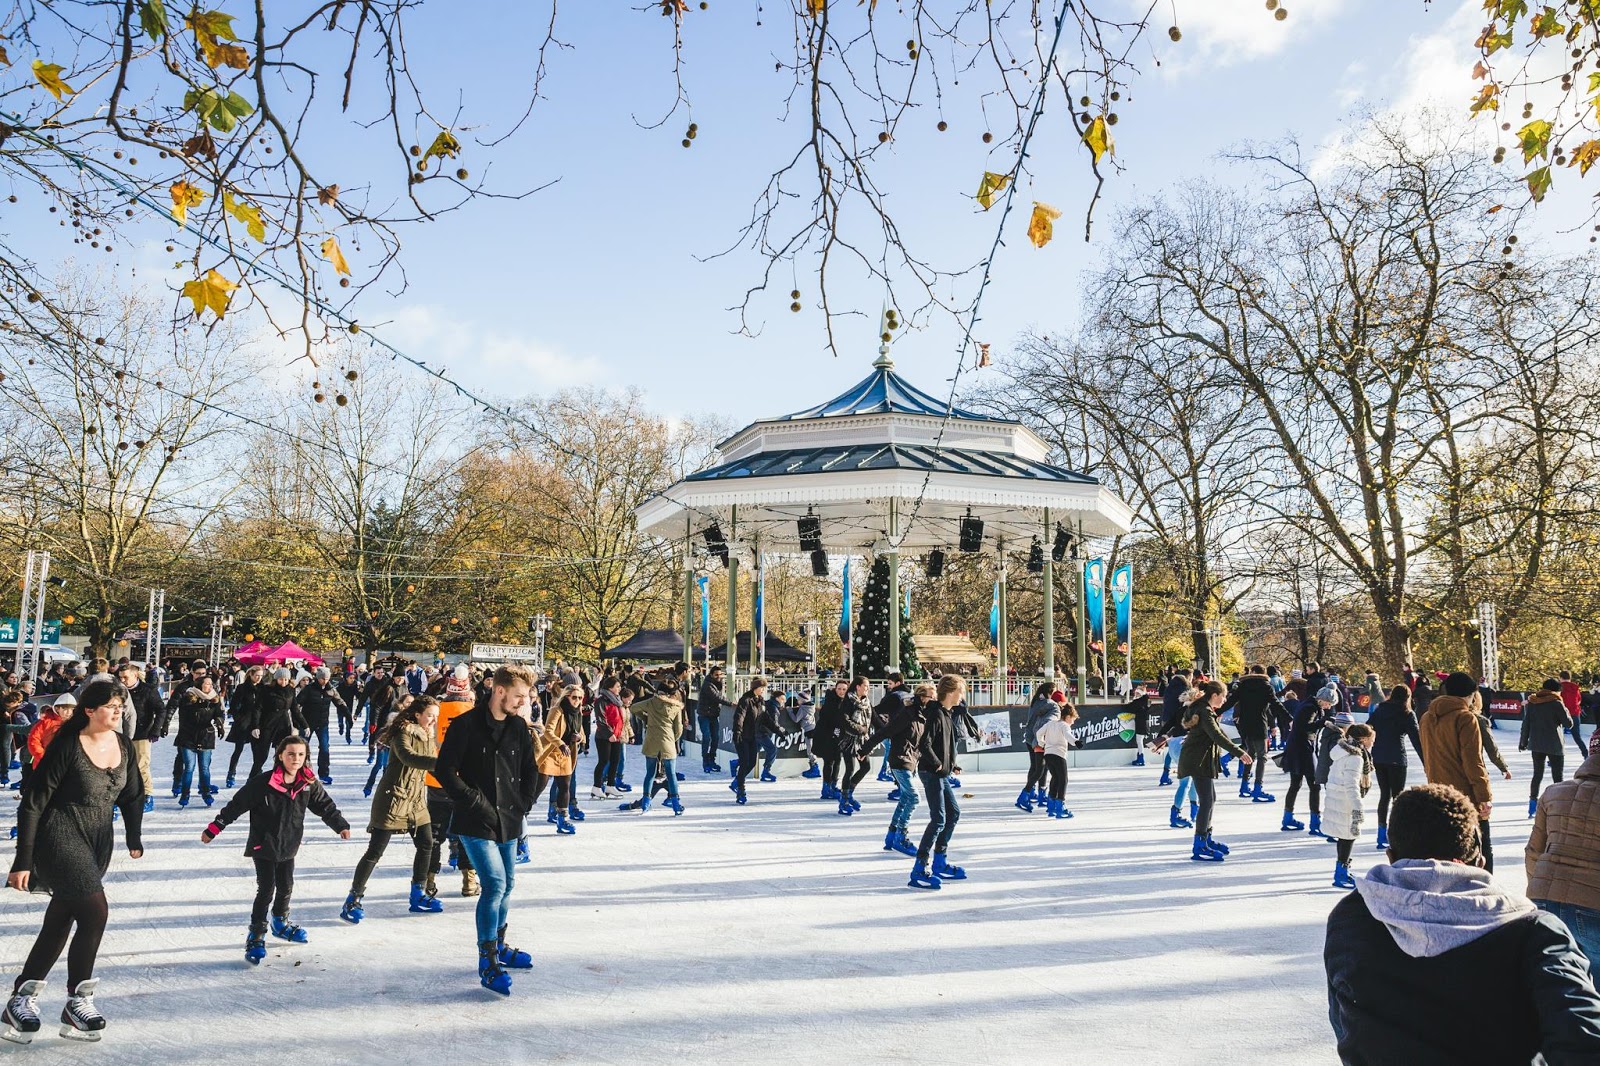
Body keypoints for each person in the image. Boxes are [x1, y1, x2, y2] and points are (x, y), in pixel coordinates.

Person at [1325, 783, 1600, 1064]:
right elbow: (1585, 1040)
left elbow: (1345, 1025)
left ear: (1391, 857)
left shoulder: (1351, 919)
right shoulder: (1537, 935)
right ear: (1479, 861)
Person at [2, 680, 144, 1045]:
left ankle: (20, 1000)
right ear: (89, 710)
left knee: (61, 919)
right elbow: (32, 802)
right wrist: (23, 860)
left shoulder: (123, 744)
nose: (117, 711)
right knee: (95, 911)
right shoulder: (67, 746)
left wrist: (133, 836)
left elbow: (132, 795)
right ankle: (78, 1001)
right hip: (58, 833)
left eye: (121, 705)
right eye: (111, 705)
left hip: (97, 838)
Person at [434, 664, 539, 996]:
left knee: (508, 885)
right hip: (475, 819)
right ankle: (488, 958)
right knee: (494, 884)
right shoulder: (465, 724)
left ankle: (501, 944)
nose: (523, 702)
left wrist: (523, 803)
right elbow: (445, 770)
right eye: (519, 696)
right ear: (499, 691)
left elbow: (529, 769)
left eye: (525, 697)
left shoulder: (518, 727)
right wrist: (473, 800)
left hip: (508, 818)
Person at [202, 735, 350, 964]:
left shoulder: (308, 783)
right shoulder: (264, 782)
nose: (296, 759)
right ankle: (257, 933)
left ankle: (280, 921)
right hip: (264, 843)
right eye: (291, 754)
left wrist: (339, 825)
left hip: (289, 844)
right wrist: (215, 827)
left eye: (301, 754)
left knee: (286, 886)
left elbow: (325, 806)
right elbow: (237, 805)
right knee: (266, 889)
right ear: (280, 755)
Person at [340, 695, 442, 924]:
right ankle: (352, 899)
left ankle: (418, 893)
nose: (433, 721)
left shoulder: (428, 734)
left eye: (436, 717)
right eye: (430, 716)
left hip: (416, 800)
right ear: (417, 714)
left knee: (427, 843)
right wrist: (441, 763)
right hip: (393, 798)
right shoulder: (403, 732)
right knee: (375, 851)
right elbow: (410, 758)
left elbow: (430, 763)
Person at [1526, 736, 1600, 980]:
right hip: (1592, 905)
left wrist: (1538, 893)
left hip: (1544, 900)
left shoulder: (1553, 792)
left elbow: (1533, 852)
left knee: (1559, 985)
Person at [1419, 671, 1497, 872]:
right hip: (1465, 797)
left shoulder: (1427, 718)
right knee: (1479, 850)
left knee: (1447, 850)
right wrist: (1484, 796)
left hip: (1437, 793)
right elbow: (1473, 762)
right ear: (1471, 694)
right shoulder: (1465, 718)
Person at [907, 674, 971, 890]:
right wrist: (937, 764)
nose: (962, 696)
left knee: (953, 813)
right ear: (952, 692)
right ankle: (919, 868)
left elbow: (941, 744)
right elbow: (923, 744)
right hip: (931, 772)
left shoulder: (945, 713)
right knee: (939, 819)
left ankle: (940, 861)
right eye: (961, 692)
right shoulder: (935, 713)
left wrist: (950, 764)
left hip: (941, 772)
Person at [1178, 679, 1252, 863]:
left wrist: (1238, 747)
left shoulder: (1205, 710)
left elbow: (1219, 733)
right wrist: (1239, 752)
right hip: (1198, 760)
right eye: (1223, 696)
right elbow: (1216, 736)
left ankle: (1206, 839)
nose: (1224, 700)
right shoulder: (1204, 711)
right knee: (1206, 801)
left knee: (1210, 799)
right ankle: (1199, 844)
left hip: (1199, 759)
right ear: (1214, 695)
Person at [425, 667, 478, 899]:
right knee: (468, 831)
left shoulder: (436, 711)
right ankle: (468, 880)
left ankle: (428, 880)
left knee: (434, 833)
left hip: (436, 780)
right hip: (465, 782)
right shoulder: (476, 714)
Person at [862, 681, 927, 856]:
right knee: (914, 798)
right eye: (931, 697)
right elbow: (886, 731)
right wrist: (865, 748)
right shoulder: (907, 714)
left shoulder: (922, 716)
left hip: (910, 760)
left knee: (906, 797)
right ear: (922, 698)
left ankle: (891, 835)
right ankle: (901, 836)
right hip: (900, 760)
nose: (934, 701)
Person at [1366, 684, 1423, 850]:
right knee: (1397, 798)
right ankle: (1395, 834)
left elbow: (1369, 727)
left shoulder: (1380, 709)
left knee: (1385, 794)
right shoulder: (1407, 713)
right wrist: (1427, 762)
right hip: (1397, 758)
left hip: (1379, 757)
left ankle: (1381, 833)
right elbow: (1416, 740)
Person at [1323, 722, 1375, 890]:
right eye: (1371, 739)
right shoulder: (1356, 757)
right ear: (1363, 739)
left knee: (1344, 836)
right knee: (1348, 836)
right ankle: (1341, 873)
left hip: (1337, 798)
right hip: (1345, 802)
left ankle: (1342, 870)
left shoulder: (1343, 751)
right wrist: (1357, 808)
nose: (1373, 742)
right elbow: (1351, 785)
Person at [621, 679, 685, 815]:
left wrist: (646, 719)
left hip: (651, 740)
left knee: (650, 773)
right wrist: (672, 738)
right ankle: (675, 804)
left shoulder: (651, 702)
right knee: (671, 773)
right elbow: (679, 728)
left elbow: (633, 708)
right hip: (668, 741)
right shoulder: (676, 707)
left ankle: (645, 803)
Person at [1221, 665, 1283, 803]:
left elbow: (1230, 702)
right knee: (1262, 757)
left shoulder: (1243, 686)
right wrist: (1289, 719)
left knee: (1250, 755)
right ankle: (1257, 788)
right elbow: (1275, 705)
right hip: (1259, 725)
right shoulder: (1266, 687)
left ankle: (1244, 786)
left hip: (1245, 726)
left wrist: (1216, 713)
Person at [115, 663, 166, 814]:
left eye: (126, 677)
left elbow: (161, 710)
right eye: (120, 677)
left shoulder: (148, 690)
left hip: (142, 733)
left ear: (135, 675)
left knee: (142, 765)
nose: (123, 680)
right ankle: (120, 797)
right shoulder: (117, 691)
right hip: (120, 733)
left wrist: (155, 730)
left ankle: (148, 795)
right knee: (120, 766)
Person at [533, 685, 582, 834]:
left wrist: (578, 738)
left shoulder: (577, 712)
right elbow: (548, 731)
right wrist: (560, 743)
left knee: (564, 786)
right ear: (566, 696)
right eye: (574, 697)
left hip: (565, 753)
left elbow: (580, 732)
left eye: (580, 698)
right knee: (540, 784)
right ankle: (522, 811)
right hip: (550, 751)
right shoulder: (557, 710)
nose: (577, 701)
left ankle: (563, 819)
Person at [1523, 679, 1575, 819]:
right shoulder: (1557, 703)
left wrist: (1523, 742)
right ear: (1556, 691)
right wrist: (1564, 707)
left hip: (1536, 744)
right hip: (1554, 744)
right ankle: (1560, 806)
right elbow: (1568, 724)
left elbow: (1526, 724)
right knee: (1557, 777)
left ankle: (1532, 806)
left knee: (1537, 775)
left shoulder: (1533, 703)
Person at [175, 676, 226, 809]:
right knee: (189, 767)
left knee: (204, 768)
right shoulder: (189, 696)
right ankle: (185, 794)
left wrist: (220, 723)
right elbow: (184, 715)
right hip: (188, 736)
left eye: (211, 684)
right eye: (206, 684)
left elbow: (220, 713)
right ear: (200, 685)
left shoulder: (215, 698)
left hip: (206, 736)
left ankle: (206, 793)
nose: (209, 686)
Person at [249, 668, 305, 780]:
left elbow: (295, 709)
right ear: (276, 679)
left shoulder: (290, 690)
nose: (283, 682)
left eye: (285, 679)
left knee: (281, 755)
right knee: (262, 756)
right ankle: (252, 779)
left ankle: (278, 778)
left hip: (283, 726)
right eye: (281, 679)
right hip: (268, 724)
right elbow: (258, 708)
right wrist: (255, 726)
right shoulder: (267, 690)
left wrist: (305, 725)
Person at [296, 667, 348, 786]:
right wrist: (297, 720)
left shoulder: (331, 690)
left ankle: (324, 774)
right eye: (322, 679)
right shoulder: (309, 689)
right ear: (318, 678)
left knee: (324, 748)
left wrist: (348, 716)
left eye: (327, 678)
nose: (325, 681)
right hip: (307, 723)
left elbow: (339, 702)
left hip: (323, 724)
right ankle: (302, 773)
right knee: (302, 748)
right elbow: (297, 703)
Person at [1018, 681, 1060, 813]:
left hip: (1030, 737)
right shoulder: (1052, 705)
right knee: (1041, 768)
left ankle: (1034, 793)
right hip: (1039, 739)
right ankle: (1031, 793)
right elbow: (1047, 722)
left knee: (1036, 767)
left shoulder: (1036, 701)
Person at [835, 675, 873, 816]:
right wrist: (860, 729)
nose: (867, 689)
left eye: (868, 687)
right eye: (865, 686)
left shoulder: (866, 702)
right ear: (857, 687)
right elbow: (844, 721)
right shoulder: (848, 701)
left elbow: (873, 718)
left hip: (862, 741)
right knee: (850, 769)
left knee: (866, 766)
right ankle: (843, 800)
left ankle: (849, 792)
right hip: (849, 740)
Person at [1034, 703, 1080, 819]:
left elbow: (1039, 733)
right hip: (1059, 755)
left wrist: (1041, 743)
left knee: (1055, 778)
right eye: (1073, 719)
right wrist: (1076, 742)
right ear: (1068, 717)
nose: (1073, 722)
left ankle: (1051, 806)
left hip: (1048, 754)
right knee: (1063, 780)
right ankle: (1060, 806)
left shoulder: (1050, 724)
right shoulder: (1064, 725)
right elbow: (1068, 735)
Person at [729, 678, 767, 805]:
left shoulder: (760, 701)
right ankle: (741, 789)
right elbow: (739, 716)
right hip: (742, 736)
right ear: (755, 688)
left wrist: (778, 730)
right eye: (761, 688)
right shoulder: (745, 700)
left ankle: (737, 781)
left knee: (751, 763)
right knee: (745, 762)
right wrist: (737, 732)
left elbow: (764, 718)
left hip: (753, 736)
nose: (763, 690)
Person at [224, 665, 262, 788]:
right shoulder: (242, 688)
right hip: (244, 722)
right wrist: (239, 718)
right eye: (257, 675)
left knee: (257, 751)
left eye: (261, 676)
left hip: (257, 723)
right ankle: (231, 773)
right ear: (251, 675)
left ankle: (256, 773)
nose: (259, 678)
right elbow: (234, 705)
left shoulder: (263, 689)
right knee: (238, 749)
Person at [590, 675, 626, 801]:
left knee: (615, 761)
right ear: (610, 687)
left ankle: (611, 784)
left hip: (616, 736)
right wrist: (609, 733)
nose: (619, 688)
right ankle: (597, 786)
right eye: (617, 686)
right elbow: (601, 719)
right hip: (604, 737)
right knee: (604, 761)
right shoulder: (601, 700)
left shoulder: (616, 700)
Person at [813, 678, 847, 802]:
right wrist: (835, 731)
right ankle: (826, 787)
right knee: (829, 762)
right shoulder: (831, 701)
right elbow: (829, 719)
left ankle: (833, 785)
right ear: (835, 689)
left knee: (837, 760)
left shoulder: (845, 701)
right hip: (826, 736)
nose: (841, 691)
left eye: (844, 689)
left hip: (837, 737)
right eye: (839, 689)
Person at [696, 666, 730, 774]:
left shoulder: (718, 684)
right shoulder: (707, 685)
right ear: (711, 675)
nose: (719, 677)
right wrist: (730, 703)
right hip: (704, 715)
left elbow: (719, 696)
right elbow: (716, 697)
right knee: (707, 737)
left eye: (720, 675)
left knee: (716, 737)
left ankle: (712, 759)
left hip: (713, 715)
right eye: (716, 675)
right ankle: (705, 761)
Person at [1559, 669, 1587, 756]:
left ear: (1560, 678)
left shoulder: (1559, 687)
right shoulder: (1575, 688)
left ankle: (1556, 756)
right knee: (1577, 736)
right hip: (1575, 713)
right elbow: (1579, 700)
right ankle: (1585, 753)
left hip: (1561, 713)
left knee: (1558, 736)